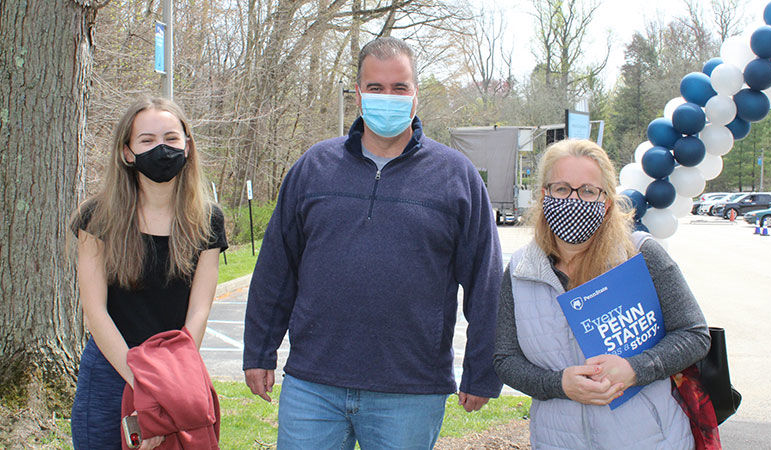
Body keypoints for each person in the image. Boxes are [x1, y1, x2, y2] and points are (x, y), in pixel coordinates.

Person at [243, 36, 503, 449]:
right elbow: (277, 267)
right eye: (376, 87)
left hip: (410, 391)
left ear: (416, 95)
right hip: (314, 385)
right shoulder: (313, 167)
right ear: (359, 95)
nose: (388, 97)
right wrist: (259, 350)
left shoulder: (457, 176)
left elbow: (485, 283)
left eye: (400, 87)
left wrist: (482, 369)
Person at [493, 139, 710, 449]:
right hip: (557, 441)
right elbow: (505, 359)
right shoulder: (520, 270)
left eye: (588, 191)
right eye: (562, 189)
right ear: (544, 195)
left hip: (651, 440)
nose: (574, 200)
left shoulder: (640, 255)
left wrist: (635, 369)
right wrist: (559, 384)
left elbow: (694, 335)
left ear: (606, 201)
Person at [69, 97, 227, 449]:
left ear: (187, 147)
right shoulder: (97, 217)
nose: (161, 148)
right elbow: (95, 311)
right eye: (147, 140)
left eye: (171, 139)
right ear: (127, 152)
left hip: (176, 372)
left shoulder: (208, 220)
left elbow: (199, 310)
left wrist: (169, 384)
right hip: (111, 371)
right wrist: (143, 386)